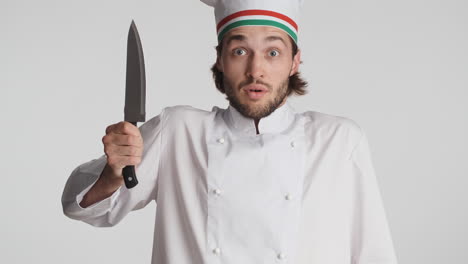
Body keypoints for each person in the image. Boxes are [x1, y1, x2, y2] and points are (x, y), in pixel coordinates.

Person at [61, 0, 399, 263]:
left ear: (294, 61)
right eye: (240, 51)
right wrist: (111, 175)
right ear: (220, 58)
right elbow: (84, 208)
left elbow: (374, 256)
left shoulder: (338, 140)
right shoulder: (178, 131)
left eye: (273, 52)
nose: (256, 70)